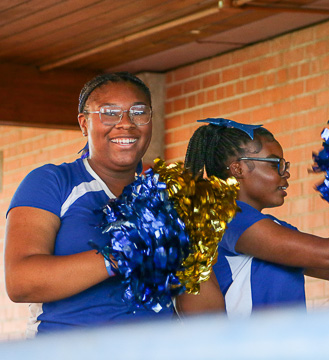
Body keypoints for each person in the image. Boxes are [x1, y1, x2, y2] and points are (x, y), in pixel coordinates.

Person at [4, 72, 223, 336]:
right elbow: (20, 282)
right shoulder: (53, 182)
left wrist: (193, 249)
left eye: (139, 112)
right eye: (109, 113)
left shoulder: (168, 197)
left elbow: (208, 318)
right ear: (84, 124)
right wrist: (122, 255)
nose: (126, 124)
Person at [184, 119, 329, 318]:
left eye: (284, 165)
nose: (285, 173)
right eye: (274, 164)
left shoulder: (272, 228)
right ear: (237, 168)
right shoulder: (230, 217)